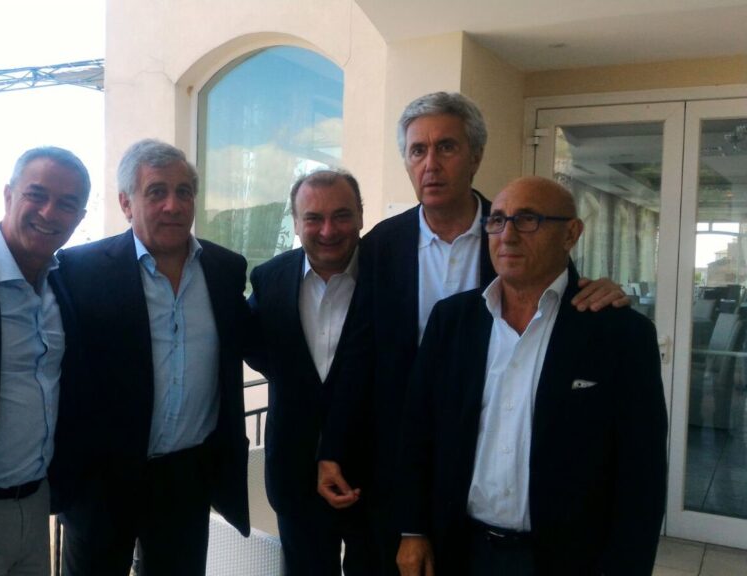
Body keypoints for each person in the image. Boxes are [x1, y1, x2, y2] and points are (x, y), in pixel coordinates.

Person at [317, 92, 629, 574]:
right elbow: (359, 353)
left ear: (475, 156)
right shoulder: (381, 245)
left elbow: (558, 298)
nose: (430, 164)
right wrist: (334, 447)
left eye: (446, 147)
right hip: (399, 459)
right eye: (417, 150)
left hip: (486, 460)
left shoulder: (512, 234)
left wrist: (603, 290)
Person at [396, 176, 667, 575]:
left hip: (567, 559)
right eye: (497, 220)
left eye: (527, 220)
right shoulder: (452, 321)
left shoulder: (620, 334)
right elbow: (418, 432)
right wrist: (413, 530)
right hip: (460, 550)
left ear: (571, 234)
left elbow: (642, 474)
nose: (507, 235)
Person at [54, 139, 250, 576]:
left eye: (184, 192)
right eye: (156, 192)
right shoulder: (80, 270)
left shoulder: (225, 270)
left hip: (187, 479)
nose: (172, 205)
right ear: (126, 203)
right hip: (102, 483)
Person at [0, 147, 90, 576]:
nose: (49, 212)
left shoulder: (64, 282)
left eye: (66, 204)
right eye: (36, 195)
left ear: (79, 217)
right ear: (8, 195)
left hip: (38, 502)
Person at [246, 168, 376, 575]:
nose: (327, 230)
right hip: (295, 475)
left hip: (374, 478)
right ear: (296, 222)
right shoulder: (269, 279)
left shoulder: (390, 275)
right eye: (313, 218)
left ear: (360, 216)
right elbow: (256, 349)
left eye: (341, 215)